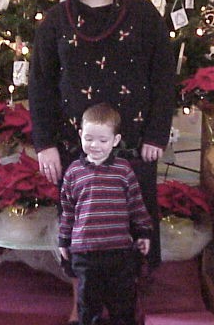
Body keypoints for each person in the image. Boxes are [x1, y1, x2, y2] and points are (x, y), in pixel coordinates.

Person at [28, 0, 176, 324]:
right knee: (80, 226)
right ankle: (82, 304)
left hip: (133, 145)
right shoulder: (55, 21)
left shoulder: (142, 14)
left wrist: (156, 134)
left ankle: (130, 303)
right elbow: (39, 84)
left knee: (134, 223)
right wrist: (44, 144)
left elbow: (164, 76)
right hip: (74, 148)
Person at [59, 103, 152, 325]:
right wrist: (64, 240)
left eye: (103, 140)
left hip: (118, 251)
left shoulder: (123, 170)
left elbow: (136, 205)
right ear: (80, 135)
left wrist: (143, 233)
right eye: (89, 139)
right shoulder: (73, 172)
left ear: (115, 140)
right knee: (88, 304)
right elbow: (67, 211)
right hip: (85, 252)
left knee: (123, 302)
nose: (95, 145)